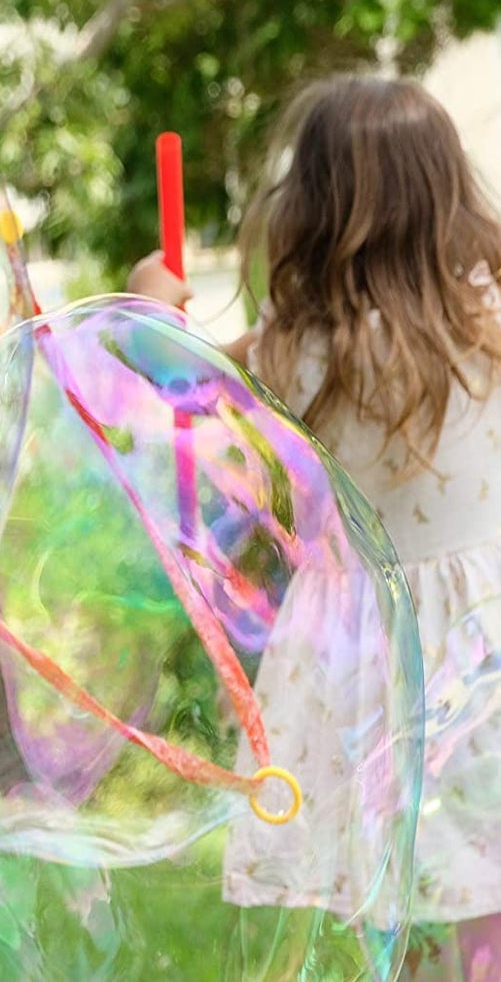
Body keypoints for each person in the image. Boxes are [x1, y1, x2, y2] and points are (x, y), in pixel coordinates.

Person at [129, 76, 500, 981]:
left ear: (317, 208)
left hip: (358, 652)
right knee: (483, 866)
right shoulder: (488, 323)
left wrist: (149, 305)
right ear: (447, 192)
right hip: (480, 635)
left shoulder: (299, 348)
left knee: (390, 888)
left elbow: (174, 373)